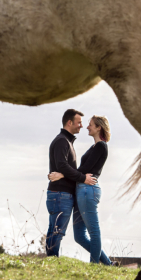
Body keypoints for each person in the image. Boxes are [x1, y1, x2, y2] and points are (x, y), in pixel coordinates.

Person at [49, 115, 113, 265]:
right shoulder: (93, 147)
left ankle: (94, 265)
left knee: (93, 232)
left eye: (90, 125)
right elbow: (82, 170)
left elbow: (85, 169)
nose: (87, 127)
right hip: (81, 190)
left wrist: (62, 175)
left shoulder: (101, 146)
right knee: (79, 236)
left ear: (99, 128)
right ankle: (108, 263)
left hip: (88, 190)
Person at [45, 109, 97, 257]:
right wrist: (83, 178)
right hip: (60, 194)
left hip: (61, 194)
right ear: (69, 122)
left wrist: (63, 174)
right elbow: (62, 165)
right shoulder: (62, 140)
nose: (81, 125)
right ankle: (52, 261)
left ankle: (50, 261)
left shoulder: (66, 141)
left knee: (54, 230)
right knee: (57, 231)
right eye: (79, 122)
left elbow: (64, 168)